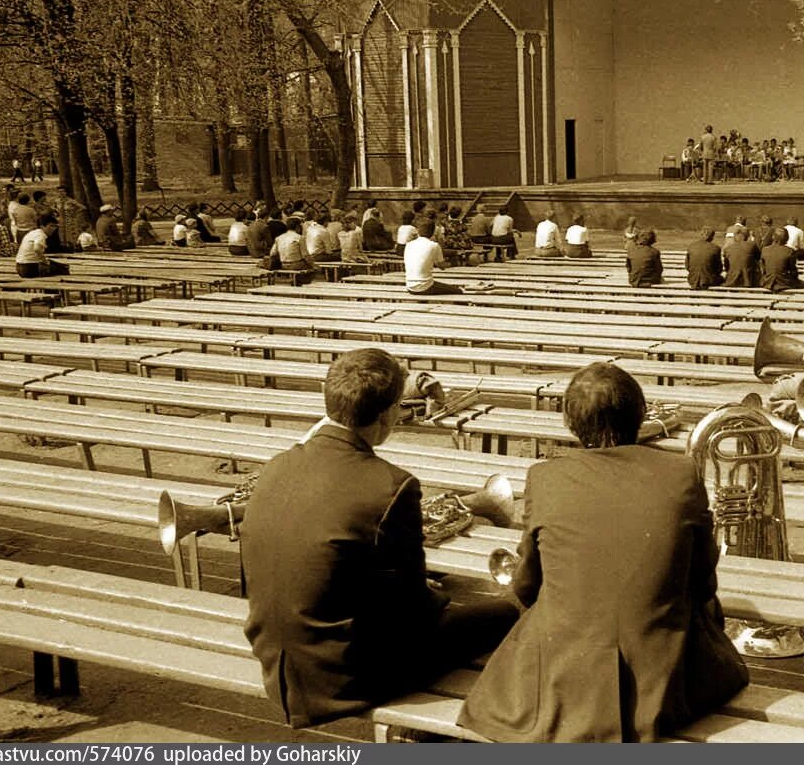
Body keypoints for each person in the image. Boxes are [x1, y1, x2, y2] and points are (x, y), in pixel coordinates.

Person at [457, 363, 748, 742]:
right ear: (641, 414)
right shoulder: (681, 472)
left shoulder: (544, 477)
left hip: (563, 682)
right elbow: (703, 585)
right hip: (663, 687)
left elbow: (527, 587)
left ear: (570, 424)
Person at [240, 348, 518, 728]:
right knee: (506, 611)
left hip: (277, 662)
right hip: (345, 679)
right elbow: (416, 613)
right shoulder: (392, 485)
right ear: (389, 414)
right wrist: (439, 598)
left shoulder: (277, 465)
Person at [403, 216, 464, 295]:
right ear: (433, 232)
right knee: (458, 291)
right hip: (425, 287)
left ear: (418, 231)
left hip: (410, 286)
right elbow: (442, 266)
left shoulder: (409, 244)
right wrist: (454, 263)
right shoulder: (434, 245)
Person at [267, 217, 315, 283]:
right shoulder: (300, 238)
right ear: (298, 227)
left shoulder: (279, 238)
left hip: (283, 264)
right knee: (313, 269)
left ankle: (296, 282)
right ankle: (303, 283)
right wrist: (313, 265)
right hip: (296, 264)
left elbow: (272, 253)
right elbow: (305, 255)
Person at [759, 227, 801, 292]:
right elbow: (793, 271)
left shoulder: (764, 250)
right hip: (784, 283)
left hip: (767, 282)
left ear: (773, 237)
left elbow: (763, 269)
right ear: (787, 239)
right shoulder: (789, 251)